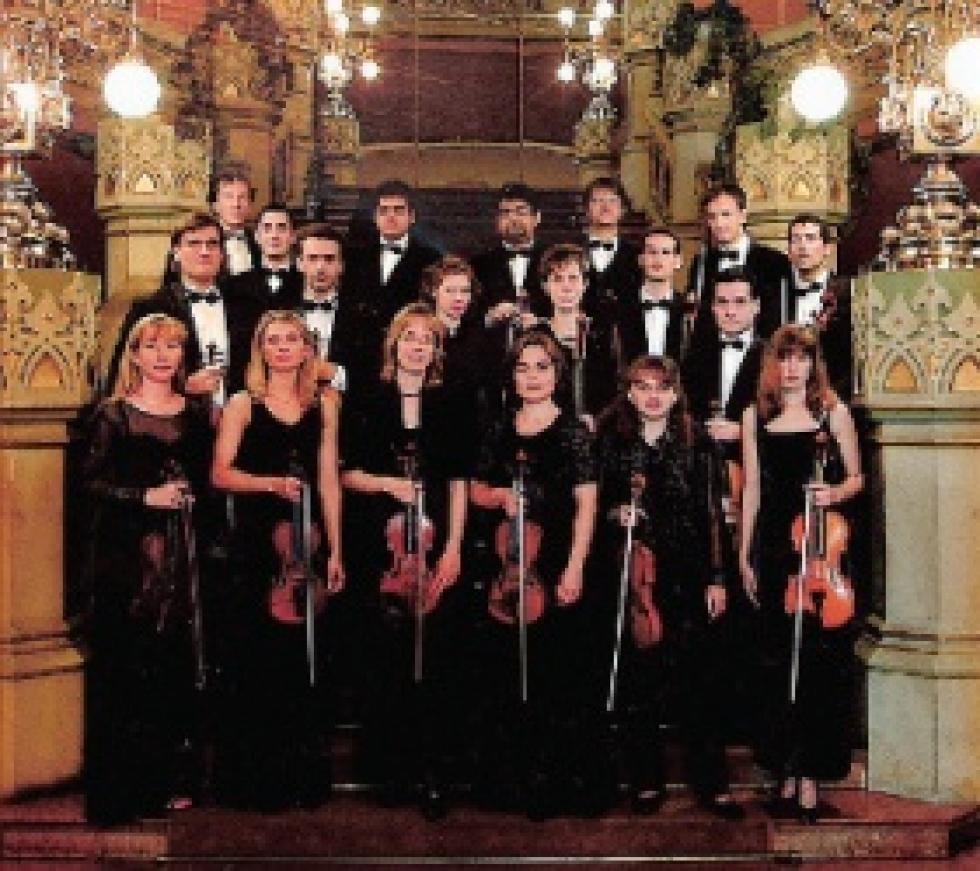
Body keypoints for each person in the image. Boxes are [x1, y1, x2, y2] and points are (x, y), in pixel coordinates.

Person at [594, 355, 741, 818]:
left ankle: (712, 784)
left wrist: (717, 577)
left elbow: (714, 515)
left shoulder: (699, 442)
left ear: (676, 393)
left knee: (700, 682)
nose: (653, 396)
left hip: (689, 573)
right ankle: (646, 780)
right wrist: (616, 514)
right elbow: (595, 502)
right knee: (640, 682)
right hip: (636, 575)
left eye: (661, 387)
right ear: (629, 393)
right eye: (643, 386)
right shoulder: (612, 442)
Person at [82, 313, 213, 826]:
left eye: (172, 347)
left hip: (180, 555)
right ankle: (123, 793)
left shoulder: (196, 414)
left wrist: (189, 499)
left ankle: (164, 783)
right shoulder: (113, 415)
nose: (162, 356)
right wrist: (145, 497)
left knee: (170, 669)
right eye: (152, 346)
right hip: (126, 560)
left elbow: (207, 481)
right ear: (134, 355)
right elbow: (90, 484)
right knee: (125, 670)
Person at [211, 310, 345, 810]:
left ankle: (301, 777)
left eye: (293, 339)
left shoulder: (324, 404)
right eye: (274, 340)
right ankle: (258, 782)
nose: (284, 347)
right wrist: (270, 484)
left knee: (302, 661)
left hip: (305, 545)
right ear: (261, 349)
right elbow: (220, 473)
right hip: (257, 545)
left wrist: (337, 549)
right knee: (258, 662)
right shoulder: (243, 404)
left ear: (308, 349)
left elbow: (328, 478)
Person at [341, 303, 470, 820]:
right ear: (393, 344)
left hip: (436, 542)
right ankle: (391, 770)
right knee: (386, 659)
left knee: (438, 659)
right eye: (409, 337)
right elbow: (346, 474)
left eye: (427, 340)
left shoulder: (452, 402)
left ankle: (434, 771)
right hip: (382, 545)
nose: (417, 347)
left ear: (437, 350)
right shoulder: (368, 397)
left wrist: (454, 547)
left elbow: (458, 482)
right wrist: (387, 484)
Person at [470, 331, 602, 820]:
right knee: (505, 674)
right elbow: (476, 488)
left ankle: (553, 783)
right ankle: (510, 782)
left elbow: (586, 504)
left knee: (556, 676)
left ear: (558, 375)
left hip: (555, 562)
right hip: (510, 563)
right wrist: (500, 497)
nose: (532, 377)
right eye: (523, 368)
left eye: (542, 367)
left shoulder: (574, 432)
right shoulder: (499, 426)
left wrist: (575, 566)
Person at [739, 324, 863, 821]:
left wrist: (832, 493)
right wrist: (744, 553)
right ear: (772, 364)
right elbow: (751, 489)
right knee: (775, 664)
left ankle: (810, 774)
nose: (792, 368)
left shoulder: (833, 412)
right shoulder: (755, 416)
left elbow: (856, 478)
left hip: (819, 546)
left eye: (801, 358)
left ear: (814, 364)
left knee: (817, 666)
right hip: (775, 549)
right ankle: (784, 771)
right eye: (784, 358)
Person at [108, 212, 264, 404]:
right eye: (194, 243)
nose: (204, 252)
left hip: (239, 415)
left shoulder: (247, 307)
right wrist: (181, 387)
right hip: (174, 416)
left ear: (222, 254)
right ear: (176, 252)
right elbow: (125, 374)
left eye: (212, 244)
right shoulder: (151, 307)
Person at [345, 180, 442, 388]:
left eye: (398, 210)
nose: (390, 216)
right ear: (375, 216)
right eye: (384, 210)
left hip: (409, 360)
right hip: (360, 360)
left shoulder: (431, 260)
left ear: (412, 216)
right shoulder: (353, 256)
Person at [687, 183, 791, 343]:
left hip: (762, 351)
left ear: (743, 216)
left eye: (726, 214)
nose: (719, 224)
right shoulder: (701, 262)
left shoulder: (774, 262)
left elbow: (778, 317)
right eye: (712, 216)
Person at [536, 243, 618, 429]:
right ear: (545, 286)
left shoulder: (603, 334)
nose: (566, 287)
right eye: (557, 279)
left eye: (573, 278)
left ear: (585, 284)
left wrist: (598, 420)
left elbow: (616, 389)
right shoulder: (535, 336)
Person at [786, 213, 852, 399]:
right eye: (796, 239)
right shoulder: (777, 294)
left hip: (833, 395)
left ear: (827, 248)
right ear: (788, 250)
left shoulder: (847, 292)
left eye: (810, 238)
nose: (802, 246)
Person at [613, 226, 693, 369]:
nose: (658, 258)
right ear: (641, 259)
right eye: (652, 252)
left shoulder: (689, 311)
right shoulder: (619, 308)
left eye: (665, 252)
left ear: (678, 261)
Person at [472, 182, 549, 326]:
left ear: (537, 218)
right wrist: (489, 317)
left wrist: (540, 323)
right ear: (497, 220)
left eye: (521, 212)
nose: (513, 218)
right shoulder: (478, 265)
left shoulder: (554, 260)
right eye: (505, 212)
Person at [579, 176, 642, 312]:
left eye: (612, 201)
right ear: (586, 209)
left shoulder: (638, 255)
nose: (606, 207)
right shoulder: (572, 251)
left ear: (623, 209)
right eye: (598, 201)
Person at [227, 202, 302, 305]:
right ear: (257, 236)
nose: (274, 236)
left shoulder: (307, 282)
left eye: (282, 228)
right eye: (267, 228)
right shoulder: (235, 285)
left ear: (293, 236)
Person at [211, 166, 261, 275]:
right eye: (229, 197)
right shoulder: (203, 241)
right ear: (215, 205)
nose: (236, 204)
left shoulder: (261, 242)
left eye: (242, 197)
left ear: (250, 205)